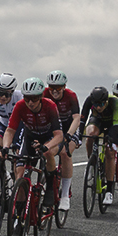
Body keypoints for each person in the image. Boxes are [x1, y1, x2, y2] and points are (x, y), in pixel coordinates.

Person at [2, 77, 64, 199]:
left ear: (40, 97)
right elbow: (10, 131)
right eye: (27, 98)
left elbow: (59, 135)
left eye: (34, 98)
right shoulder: (20, 106)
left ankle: (50, 189)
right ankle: (18, 211)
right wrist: (5, 147)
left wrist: (46, 146)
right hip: (31, 137)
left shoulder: (50, 106)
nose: (30, 102)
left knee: (48, 153)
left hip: (49, 138)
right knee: (20, 175)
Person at [45, 70, 80, 210]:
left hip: (69, 127)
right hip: (54, 127)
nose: (54, 91)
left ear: (64, 86)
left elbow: (77, 118)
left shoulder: (71, 96)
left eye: (58, 88)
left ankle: (65, 195)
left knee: (65, 153)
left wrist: (69, 134)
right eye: (51, 87)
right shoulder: (44, 94)